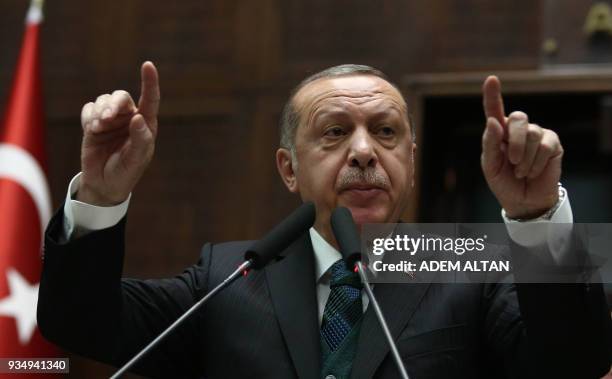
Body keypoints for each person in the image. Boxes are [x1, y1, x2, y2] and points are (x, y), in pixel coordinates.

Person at [37, 62, 610, 379]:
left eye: (386, 132)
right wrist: (101, 197)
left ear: (410, 160)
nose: (364, 152)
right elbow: (81, 323)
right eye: (335, 132)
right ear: (289, 168)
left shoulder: (467, 267)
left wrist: (537, 217)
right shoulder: (227, 277)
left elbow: (576, 363)